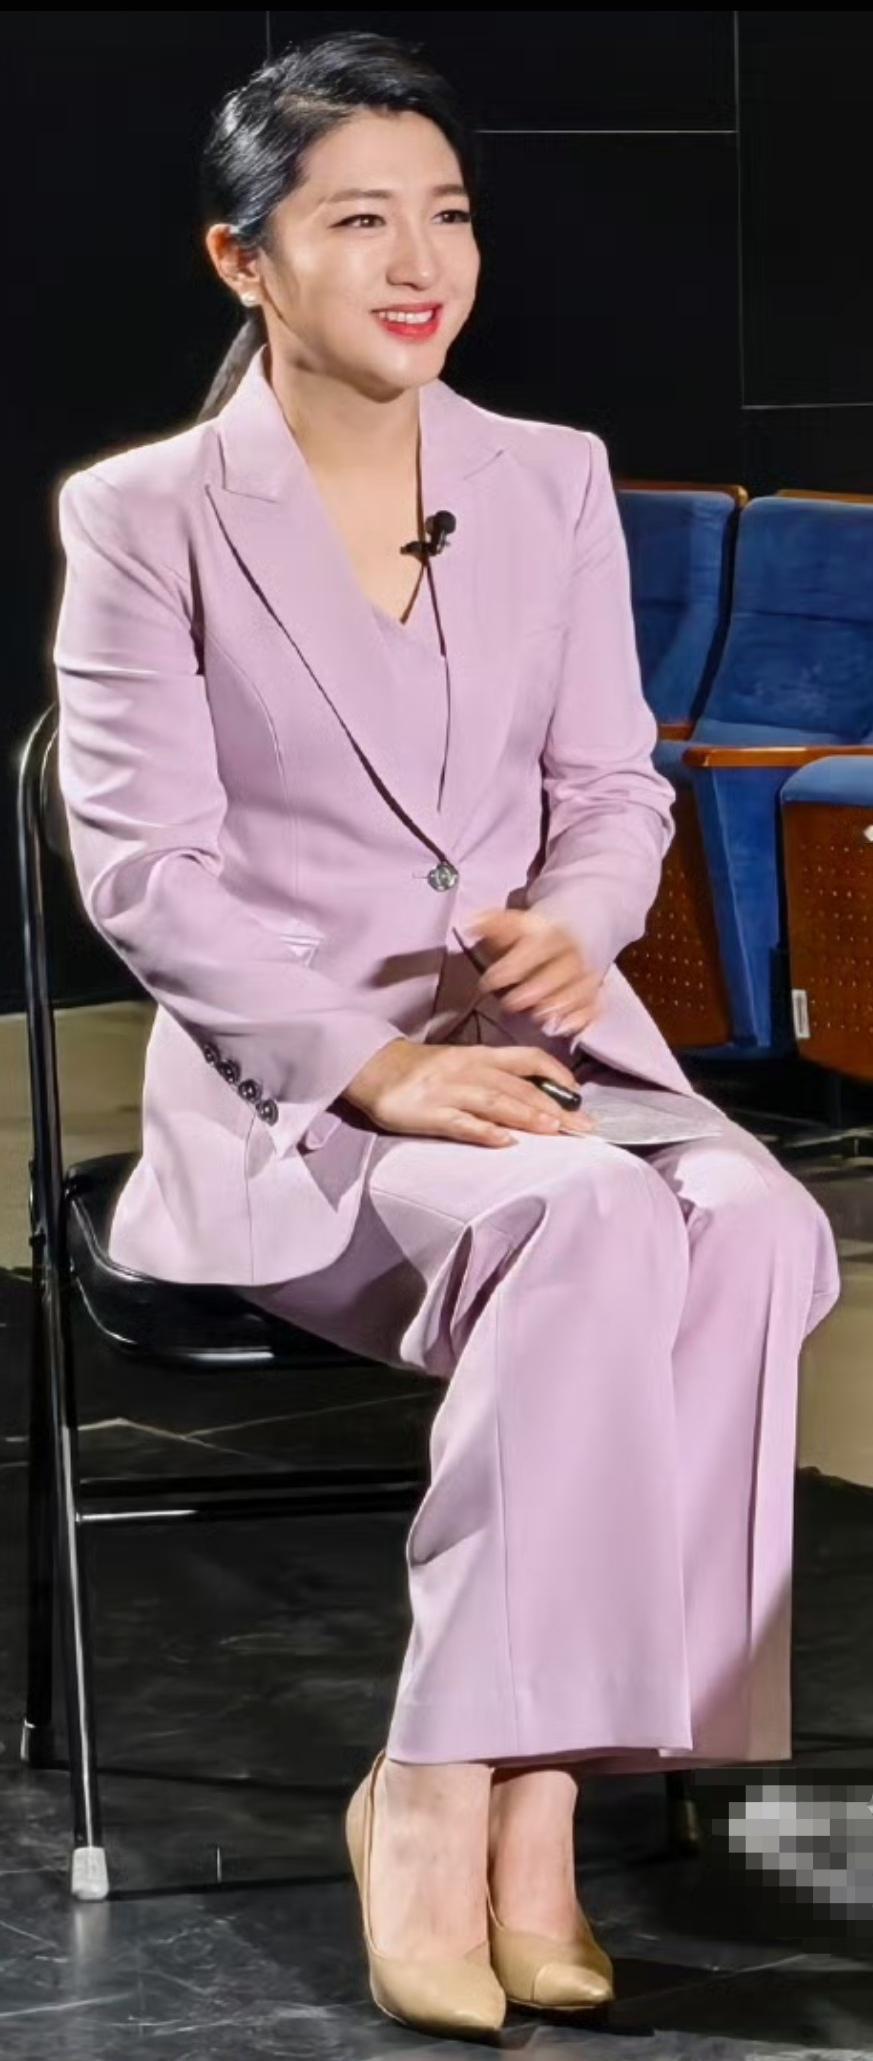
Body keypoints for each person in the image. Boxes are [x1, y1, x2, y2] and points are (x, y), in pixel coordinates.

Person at [52, 27, 841, 2037]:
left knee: (761, 1228)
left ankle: (546, 1785)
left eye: (448, 215)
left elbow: (610, 788)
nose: (419, 263)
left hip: (545, 1059)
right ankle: (435, 1783)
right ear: (243, 259)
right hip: (305, 1104)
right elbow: (143, 869)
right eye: (357, 221)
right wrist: (378, 1063)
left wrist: (578, 926)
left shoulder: (543, 475)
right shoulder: (145, 514)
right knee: (586, 1224)